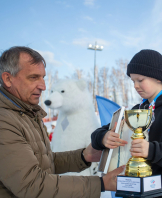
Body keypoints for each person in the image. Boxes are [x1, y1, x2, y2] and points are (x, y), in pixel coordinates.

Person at [0, 46, 124, 198]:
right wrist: (101, 184)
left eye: (42, 77)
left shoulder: (28, 114)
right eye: (33, 77)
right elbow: (32, 185)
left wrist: (84, 156)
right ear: (8, 79)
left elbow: (47, 161)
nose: (43, 86)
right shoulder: (4, 120)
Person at [91, 49, 162, 197]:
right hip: (139, 191)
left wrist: (151, 150)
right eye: (133, 81)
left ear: (158, 78)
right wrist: (103, 137)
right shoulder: (138, 110)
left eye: (140, 80)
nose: (135, 86)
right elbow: (100, 132)